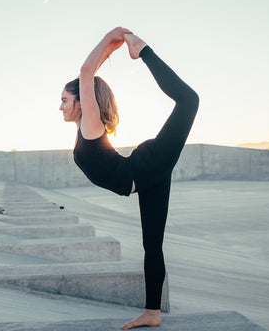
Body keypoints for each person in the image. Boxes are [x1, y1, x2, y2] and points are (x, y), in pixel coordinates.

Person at [59, 27, 199, 329]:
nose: (60, 105)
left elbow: (86, 73)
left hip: (147, 166)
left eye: (64, 99)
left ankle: (143, 50)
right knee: (153, 246)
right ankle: (152, 313)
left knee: (189, 100)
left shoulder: (91, 126)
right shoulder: (84, 130)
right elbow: (89, 77)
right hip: (146, 178)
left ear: (82, 102)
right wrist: (110, 49)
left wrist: (114, 38)